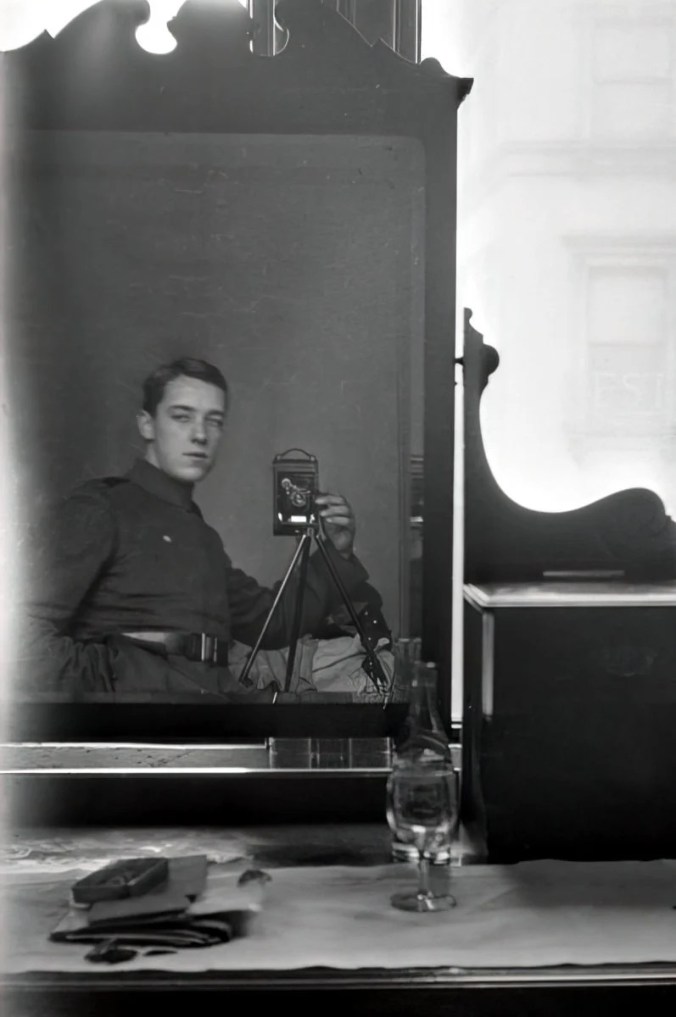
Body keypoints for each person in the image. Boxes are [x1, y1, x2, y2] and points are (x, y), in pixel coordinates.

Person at [22, 357, 381, 699]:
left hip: (212, 709)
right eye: (182, 417)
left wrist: (337, 552)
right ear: (146, 424)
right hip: (139, 726)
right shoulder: (101, 507)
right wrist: (119, 680)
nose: (200, 435)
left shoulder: (201, 536)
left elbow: (271, 623)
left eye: (214, 421)